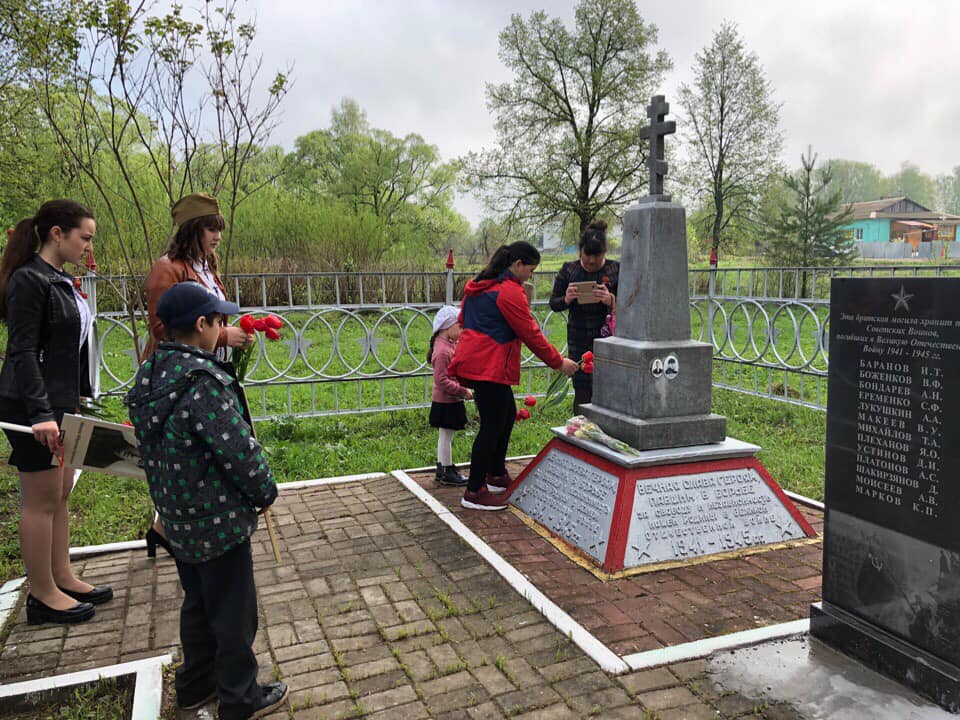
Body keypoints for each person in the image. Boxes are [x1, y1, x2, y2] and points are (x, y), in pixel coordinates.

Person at [125, 281, 287, 719]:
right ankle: (240, 698)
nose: (224, 328)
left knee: (197, 604)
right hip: (219, 524)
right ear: (201, 325)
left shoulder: (151, 375)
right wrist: (264, 490)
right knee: (235, 615)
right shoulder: (203, 383)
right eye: (219, 321)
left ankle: (196, 685)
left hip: (178, 519)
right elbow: (238, 451)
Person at [0, 200, 112, 625]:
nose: (88, 246)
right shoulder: (30, 280)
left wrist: (76, 398)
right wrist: (42, 413)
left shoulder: (59, 279)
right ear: (57, 234)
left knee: (61, 492)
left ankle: (61, 575)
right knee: (41, 499)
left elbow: (70, 348)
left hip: (59, 403)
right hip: (31, 406)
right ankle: (42, 594)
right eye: (84, 237)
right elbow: (24, 351)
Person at [142, 192, 253, 558]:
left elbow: (211, 312)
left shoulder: (209, 265)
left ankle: (165, 528)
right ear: (192, 229)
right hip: (179, 378)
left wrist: (232, 332)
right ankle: (176, 528)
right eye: (210, 228)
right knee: (187, 456)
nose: (217, 235)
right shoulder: (168, 269)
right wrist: (222, 335)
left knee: (205, 455)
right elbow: (162, 326)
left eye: (219, 228)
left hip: (208, 370)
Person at [448, 242, 578, 510]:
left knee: (506, 415)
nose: (531, 275)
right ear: (517, 265)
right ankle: (474, 491)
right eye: (530, 269)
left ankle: (495, 474)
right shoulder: (509, 292)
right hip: (489, 365)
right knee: (492, 425)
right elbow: (530, 332)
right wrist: (558, 362)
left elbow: (464, 318)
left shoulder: (480, 285)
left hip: (478, 360)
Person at [549, 220, 619, 409]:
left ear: (605, 252)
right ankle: (581, 431)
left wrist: (611, 300)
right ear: (581, 250)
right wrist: (566, 298)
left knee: (609, 390)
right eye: (588, 254)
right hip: (578, 338)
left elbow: (633, 305)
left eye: (597, 255)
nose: (591, 260)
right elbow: (553, 304)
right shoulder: (569, 270)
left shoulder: (616, 269)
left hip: (609, 338)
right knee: (582, 391)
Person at [427, 305, 473, 486]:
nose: (462, 331)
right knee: (446, 435)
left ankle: (443, 467)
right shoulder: (442, 351)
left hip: (448, 399)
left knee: (446, 435)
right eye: (460, 327)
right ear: (447, 327)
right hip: (447, 400)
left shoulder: (447, 345)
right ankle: (447, 470)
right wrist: (463, 391)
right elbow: (442, 380)